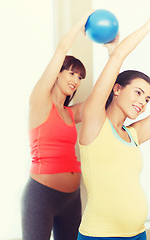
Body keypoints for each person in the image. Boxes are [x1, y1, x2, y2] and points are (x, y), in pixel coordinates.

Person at [77, 1, 150, 239]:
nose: (143, 102)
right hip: (100, 235)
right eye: (138, 92)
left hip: (138, 233)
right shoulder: (94, 122)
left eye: (148, 98)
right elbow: (119, 55)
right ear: (117, 89)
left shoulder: (134, 134)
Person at [21, 11, 93, 240]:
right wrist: (79, 25)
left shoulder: (71, 113)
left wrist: (114, 49)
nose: (76, 80)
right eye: (71, 73)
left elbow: (101, 99)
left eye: (80, 77)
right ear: (58, 74)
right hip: (41, 195)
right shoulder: (40, 102)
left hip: (72, 198)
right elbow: (61, 51)